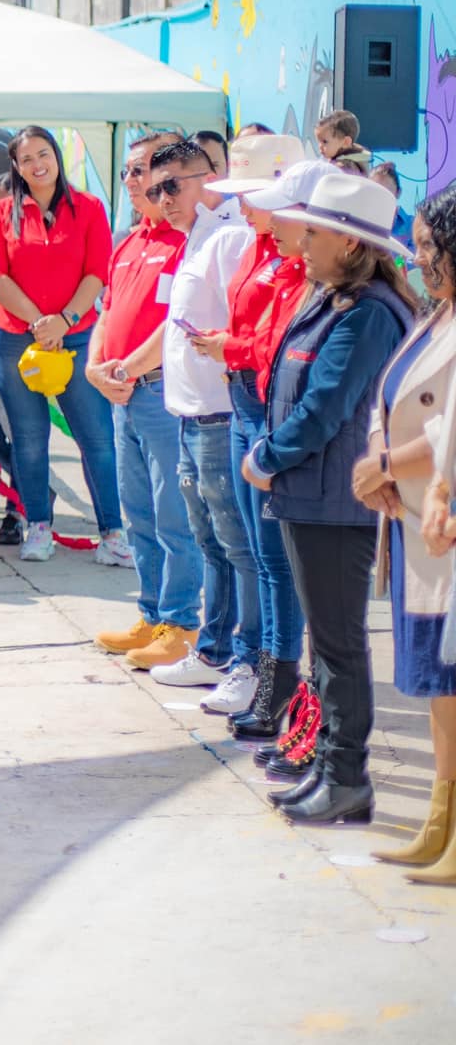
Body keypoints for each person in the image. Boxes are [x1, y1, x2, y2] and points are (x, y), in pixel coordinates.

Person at [245, 173, 414, 825]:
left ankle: (347, 777)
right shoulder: (337, 299)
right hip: (311, 497)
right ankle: (326, 765)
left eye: (313, 231)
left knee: (340, 645)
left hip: (333, 501)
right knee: (329, 643)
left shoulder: (368, 311)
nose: (302, 241)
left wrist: (267, 456)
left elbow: (324, 407)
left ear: (348, 241)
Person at [193, 153, 322, 742]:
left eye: (252, 196)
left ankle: (282, 682)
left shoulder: (299, 261)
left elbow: (278, 341)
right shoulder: (255, 247)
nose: (241, 206)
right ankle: (275, 678)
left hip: (265, 400)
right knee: (262, 552)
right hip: (245, 398)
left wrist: (233, 348)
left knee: (273, 556)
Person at [357, 185, 456, 878]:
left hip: (441, 525)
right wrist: (377, 453)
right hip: (415, 520)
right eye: (418, 245)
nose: (420, 259)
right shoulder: (436, 313)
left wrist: (388, 462)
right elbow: (391, 393)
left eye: (431, 246)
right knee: (437, 685)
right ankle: (440, 817)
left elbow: (447, 426)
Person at [146, 139, 260, 700]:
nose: (163, 198)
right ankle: (216, 650)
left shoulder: (230, 236)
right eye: (154, 189)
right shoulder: (194, 239)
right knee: (209, 541)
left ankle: (251, 659)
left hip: (219, 415)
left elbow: (246, 330)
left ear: (209, 177)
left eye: (173, 185)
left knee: (237, 545)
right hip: (191, 416)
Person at [0, 126, 125, 563]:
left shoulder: (89, 207)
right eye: (26, 159)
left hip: (78, 337)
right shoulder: (3, 212)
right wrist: (38, 323)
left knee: (96, 436)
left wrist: (64, 321)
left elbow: (97, 272)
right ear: (16, 167)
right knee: (28, 438)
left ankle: (113, 533)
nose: (37, 164)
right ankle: (38, 525)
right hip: (13, 340)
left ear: (57, 157)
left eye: (44, 154)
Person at [88, 134, 203, 669]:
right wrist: (96, 366)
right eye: (130, 173)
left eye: (143, 173)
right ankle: (153, 612)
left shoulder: (188, 241)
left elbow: (176, 322)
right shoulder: (128, 242)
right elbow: (106, 314)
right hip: (122, 392)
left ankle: (180, 623)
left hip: (156, 390)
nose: (134, 182)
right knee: (137, 512)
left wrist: (125, 369)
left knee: (170, 512)